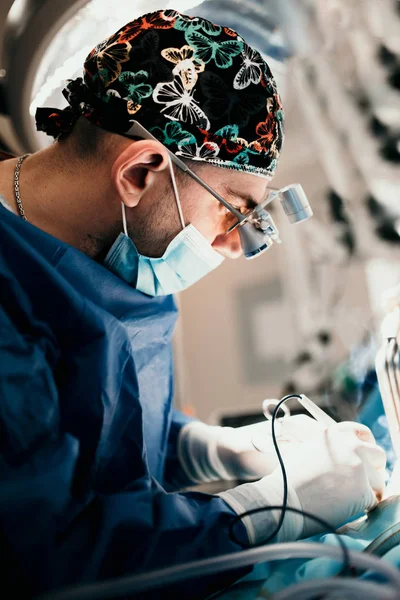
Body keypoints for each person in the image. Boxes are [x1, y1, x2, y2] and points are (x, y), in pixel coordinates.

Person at [0, 9, 386, 599]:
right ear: (141, 172)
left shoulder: (119, 254)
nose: (234, 246)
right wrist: (269, 509)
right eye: (233, 211)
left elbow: (101, 421)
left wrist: (208, 448)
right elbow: (46, 553)